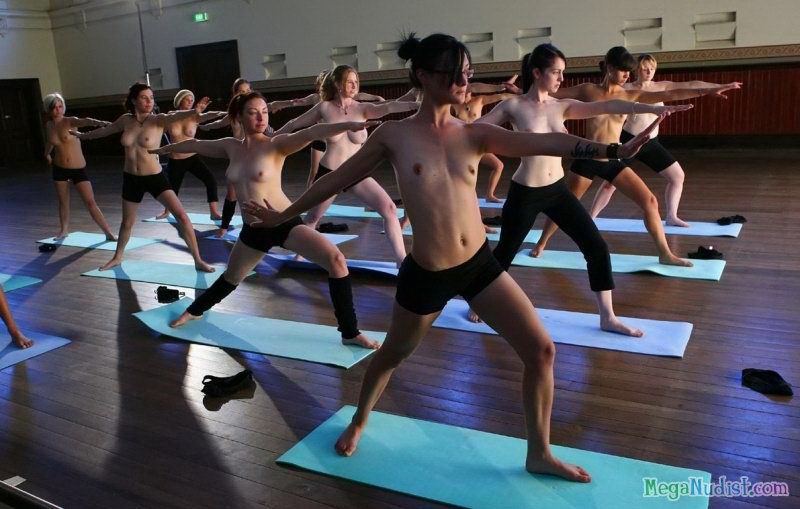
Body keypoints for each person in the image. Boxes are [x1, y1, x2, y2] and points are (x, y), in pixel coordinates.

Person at [242, 33, 661, 483]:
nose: (464, 81)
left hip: (479, 265)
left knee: (542, 350)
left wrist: (612, 151)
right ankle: (360, 417)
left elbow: (547, 143)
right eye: (454, 73)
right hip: (428, 273)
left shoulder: (474, 133)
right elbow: (335, 178)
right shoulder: (394, 136)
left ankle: (539, 452)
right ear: (424, 76)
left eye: (467, 72)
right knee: (393, 354)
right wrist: (283, 215)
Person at [466, 44, 692, 333]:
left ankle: (608, 317)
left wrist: (652, 108)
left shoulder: (561, 105)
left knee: (596, 247)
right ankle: (478, 302)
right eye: (556, 72)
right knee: (505, 253)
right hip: (526, 192)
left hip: (557, 190)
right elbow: (475, 130)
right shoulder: (513, 106)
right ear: (537, 73)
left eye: (563, 72)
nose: (562, 78)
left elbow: (608, 106)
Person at [151, 91, 380, 350]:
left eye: (264, 112)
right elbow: (194, 144)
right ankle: (194, 311)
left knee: (336, 260)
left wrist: (349, 125)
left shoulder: (276, 144)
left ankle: (349, 332)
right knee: (231, 278)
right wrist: (163, 150)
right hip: (253, 229)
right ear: (239, 117)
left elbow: (313, 132)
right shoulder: (230, 147)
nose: (261, 118)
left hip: (283, 222)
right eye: (253, 113)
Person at [531, 46, 741, 264]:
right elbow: (551, 93)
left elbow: (671, 93)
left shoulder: (629, 94)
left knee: (650, 201)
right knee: (566, 205)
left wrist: (707, 91)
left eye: (629, 72)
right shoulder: (588, 90)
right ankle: (541, 243)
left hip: (613, 157)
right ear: (610, 68)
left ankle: (665, 254)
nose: (626, 75)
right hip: (588, 158)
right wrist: (520, 92)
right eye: (623, 70)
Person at [275, 65, 419, 266]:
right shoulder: (324, 108)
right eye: (350, 82)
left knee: (389, 209)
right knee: (312, 219)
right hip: (330, 172)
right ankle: (298, 258)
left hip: (356, 172)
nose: (354, 86)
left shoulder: (361, 108)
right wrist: (272, 137)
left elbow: (389, 107)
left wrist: (416, 105)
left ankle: (401, 261)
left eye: (356, 82)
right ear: (337, 84)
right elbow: (294, 123)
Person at [70, 82, 215, 272]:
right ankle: (117, 257)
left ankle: (198, 260)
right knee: (127, 222)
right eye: (144, 98)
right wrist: (82, 136)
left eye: (151, 98)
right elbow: (104, 131)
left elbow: (176, 115)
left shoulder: (158, 120)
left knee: (181, 216)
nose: (149, 101)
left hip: (155, 177)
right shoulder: (125, 120)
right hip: (131, 178)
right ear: (133, 100)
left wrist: (194, 111)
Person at [588, 53, 733, 227]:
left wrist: (717, 87)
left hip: (651, 142)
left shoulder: (661, 87)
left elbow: (690, 84)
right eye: (645, 69)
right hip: (629, 141)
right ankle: (591, 218)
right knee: (610, 183)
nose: (649, 72)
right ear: (636, 70)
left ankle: (671, 216)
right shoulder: (626, 88)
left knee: (677, 176)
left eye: (652, 68)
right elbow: (604, 96)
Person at [287, 69, 386, 193]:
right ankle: (310, 195)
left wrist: (376, 97)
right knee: (315, 171)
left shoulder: (344, 98)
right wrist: (283, 104)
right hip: (321, 139)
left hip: (339, 143)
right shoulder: (316, 98)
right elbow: (298, 103)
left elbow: (360, 95)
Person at [43, 93, 116, 241]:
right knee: (63, 201)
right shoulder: (49, 125)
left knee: (90, 202)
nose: (58, 110)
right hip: (59, 168)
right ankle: (64, 230)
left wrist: (103, 123)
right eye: (54, 107)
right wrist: (47, 154)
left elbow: (86, 121)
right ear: (48, 109)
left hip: (77, 169)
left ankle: (108, 233)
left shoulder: (70, 121)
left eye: (60, 106)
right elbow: (51, 142)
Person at [154, 89, 226, 220]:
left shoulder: (195, 116)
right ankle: (167, 211)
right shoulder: (170, 116)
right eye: (187, 99)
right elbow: (157, 133)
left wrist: (224, 113)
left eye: (192, 100)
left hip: (192, 158)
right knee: (171, 189)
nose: (190, 102)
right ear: (179, 101)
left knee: (210, 180)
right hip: (175, 159)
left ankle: (214, 212)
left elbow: (209, 115)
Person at [452, 87, 517, 202]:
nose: (464, 96)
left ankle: (489, 195)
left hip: (477, 142)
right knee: (464, 171)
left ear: (470, 92)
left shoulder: (480, 100)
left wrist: (523, 96)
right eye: (461, 93)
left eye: (466, 94)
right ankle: (460, 197)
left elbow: (502, 96)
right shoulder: (455, 104)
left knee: (498, 166)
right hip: (461, 143)